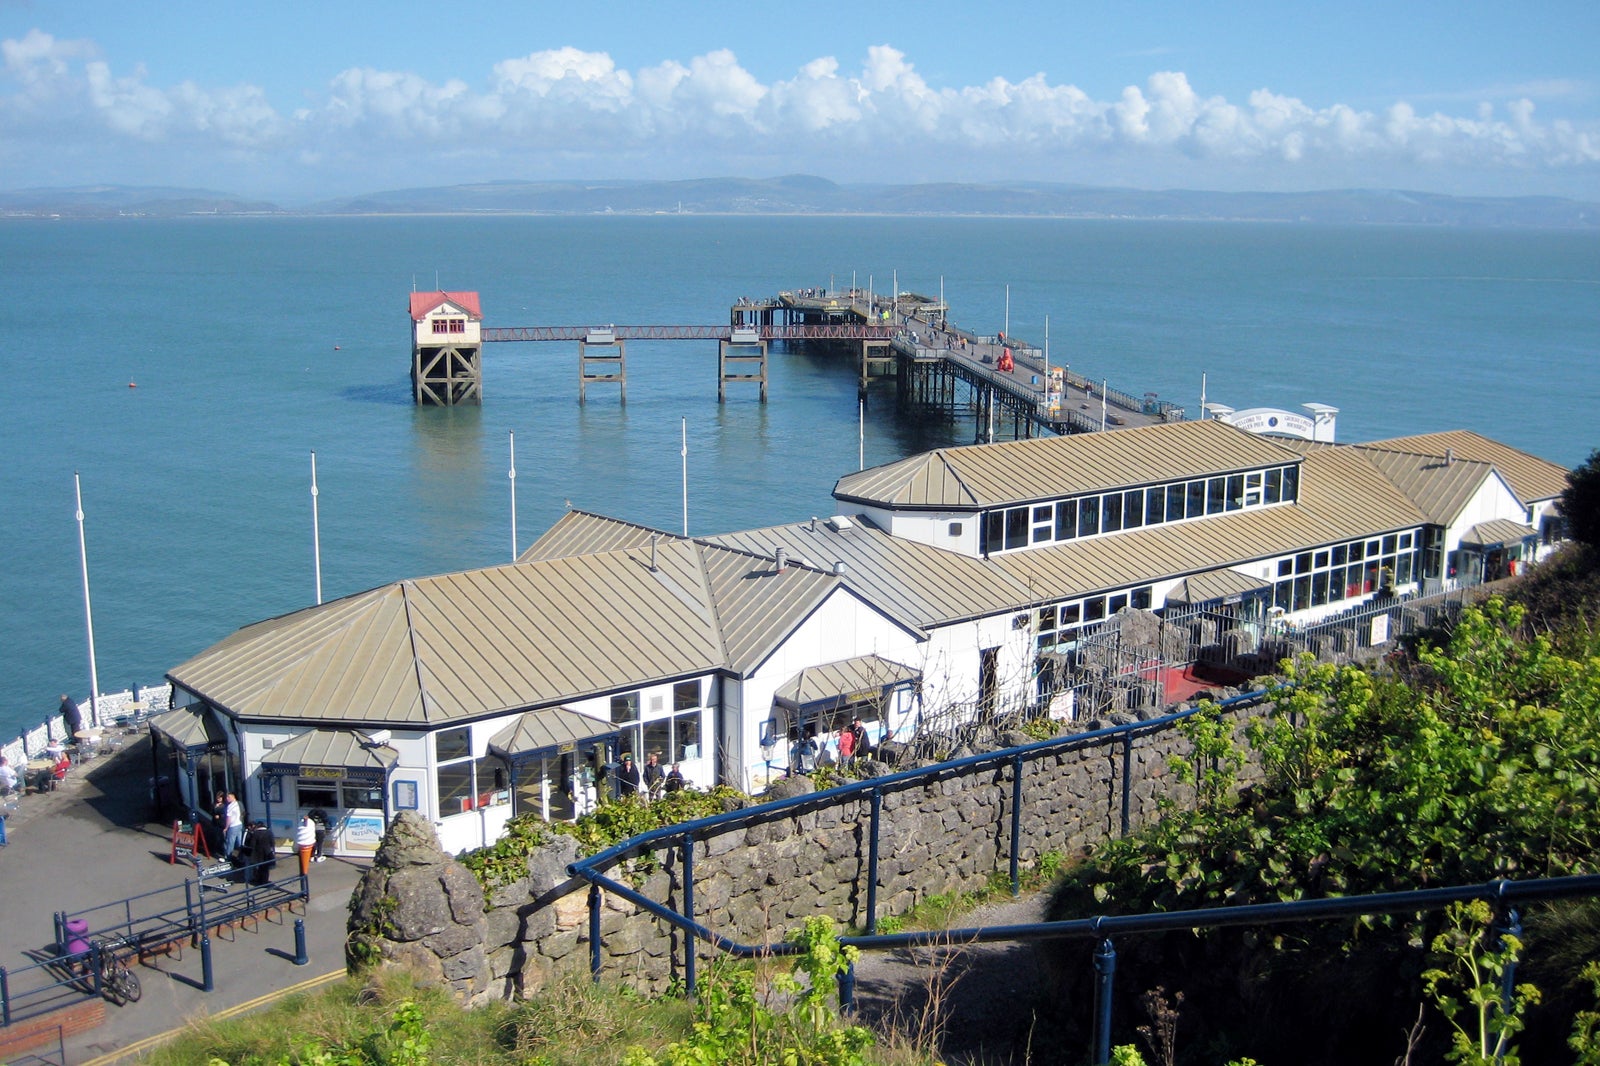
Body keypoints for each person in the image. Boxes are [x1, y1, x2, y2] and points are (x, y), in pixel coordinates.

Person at [244, 820, 276, 885]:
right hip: (267, 853)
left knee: (259, 868)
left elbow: (252, 844)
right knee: (266, 869)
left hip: (258, 853)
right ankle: (265, 881)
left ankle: (259, 880)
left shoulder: (255, 833)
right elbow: (272, 843)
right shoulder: (269, 832)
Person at [221, 791, 244, 859]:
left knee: (230, 842)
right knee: (239, 841)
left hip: (233, 826)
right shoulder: (239, 803)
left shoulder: (230, 806)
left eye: (229, 797)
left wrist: (226, 827)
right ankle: (241, 856)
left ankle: (228, 857)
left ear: (233, 797)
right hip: (239, 824)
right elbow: (243, 812)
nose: (227, 798)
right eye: (227, 797)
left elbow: (229, 818)